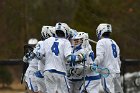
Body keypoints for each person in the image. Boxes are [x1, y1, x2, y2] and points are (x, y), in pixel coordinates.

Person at [34, 22, 85, 93]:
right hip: (60, 72)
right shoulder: (65, 42)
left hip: (47, 72)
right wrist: (80, 57)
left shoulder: (47, 41)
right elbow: (69, 58)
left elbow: (39, 55)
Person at [93, 23, 123, 93]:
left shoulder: (100, 42)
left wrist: (94, 64)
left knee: (109, 91)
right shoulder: (114, 43)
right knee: (118, 91)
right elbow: (118, 61)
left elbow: (100, 56)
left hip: (107, 72)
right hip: (116, 72)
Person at [34, 26, 55, 93]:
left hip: (42, 73)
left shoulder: (42, 43)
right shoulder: (42, 43)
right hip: (45, 74)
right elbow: (38, 56)